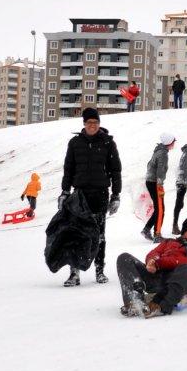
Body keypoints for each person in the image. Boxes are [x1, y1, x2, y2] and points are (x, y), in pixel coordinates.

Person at [60, 107, 122, 285]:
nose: (92, 125)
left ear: (99, 124)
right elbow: (68, 169)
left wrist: (116, 195)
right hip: (79, 195)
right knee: (76, 233)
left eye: (95, 122)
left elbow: (115, 170)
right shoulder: (75, 143)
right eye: (89, 122)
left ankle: (99, 271)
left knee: (99, 235)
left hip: (100, 194)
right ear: (84, 123)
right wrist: (65, 191)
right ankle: (74, 273)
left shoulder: (108, 143)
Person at [117, 216, 187, 319]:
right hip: (156, 279)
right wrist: (152, 261)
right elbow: (154, 253)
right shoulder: (169, 242)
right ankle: (134, 301)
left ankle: (160, 306)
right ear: (184, 233)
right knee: (124, 258)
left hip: (175, 285)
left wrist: (161, 263)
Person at [142, 134, 174, 242]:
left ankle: (147, 229)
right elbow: (161, 169)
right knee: (160, 209)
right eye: (173, 142)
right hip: (155, 183)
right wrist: (160, 184)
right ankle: (157, 235)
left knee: (159, 208)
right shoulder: (163, 153)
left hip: (151, 181)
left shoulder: (158, 150)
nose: (174, 144)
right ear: (169, 142)